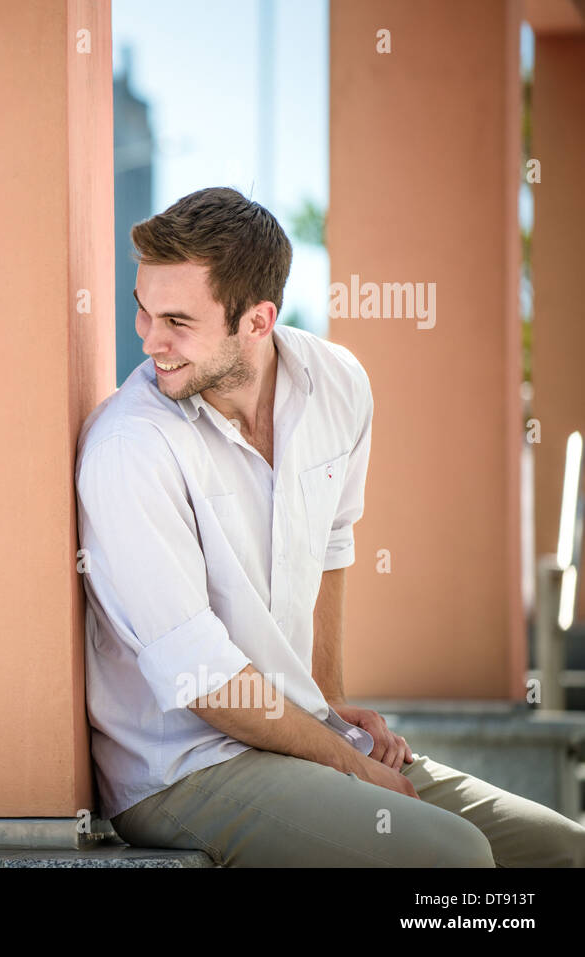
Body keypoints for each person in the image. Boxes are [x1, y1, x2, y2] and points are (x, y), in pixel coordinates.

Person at [76, 186, 585, 867]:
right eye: (142, 311)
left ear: (257, 322)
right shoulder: (129, 446)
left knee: (560, 849)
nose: (150, 340)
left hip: (295, 733)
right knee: (452, 860)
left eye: (177, 320)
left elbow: (333, 545)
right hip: (181, 765)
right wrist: (347, 762)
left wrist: (330, 699)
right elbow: (201, 677)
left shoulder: (338, 384)